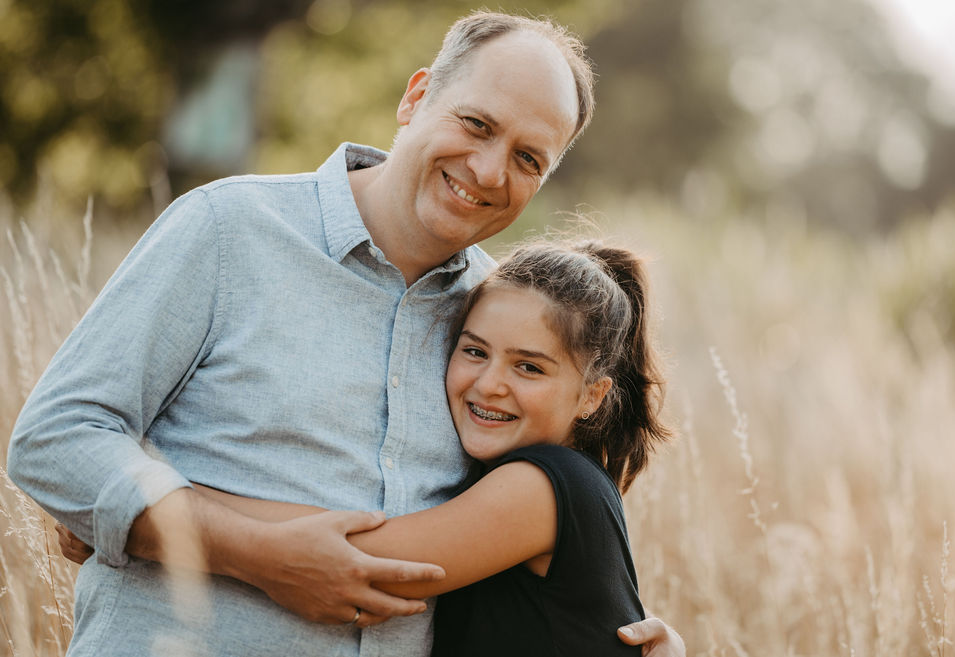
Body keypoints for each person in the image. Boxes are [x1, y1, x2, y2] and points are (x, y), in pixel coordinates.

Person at [8, 10, 683, 656]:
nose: (488, 170)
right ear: (416, 97)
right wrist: (232, 546)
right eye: (476, 124)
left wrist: (633, 634)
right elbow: (54, 438)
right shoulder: (228, 229)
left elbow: (543, 537)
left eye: (529, 159)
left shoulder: (496, 312)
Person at [61, 239, 683, 656]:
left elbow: (360, 555)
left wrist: (151, 508)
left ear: (593, 396)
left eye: (530, 367)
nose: (490, 382)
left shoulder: (546, 487)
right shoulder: (524, 478)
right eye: (474, 350)